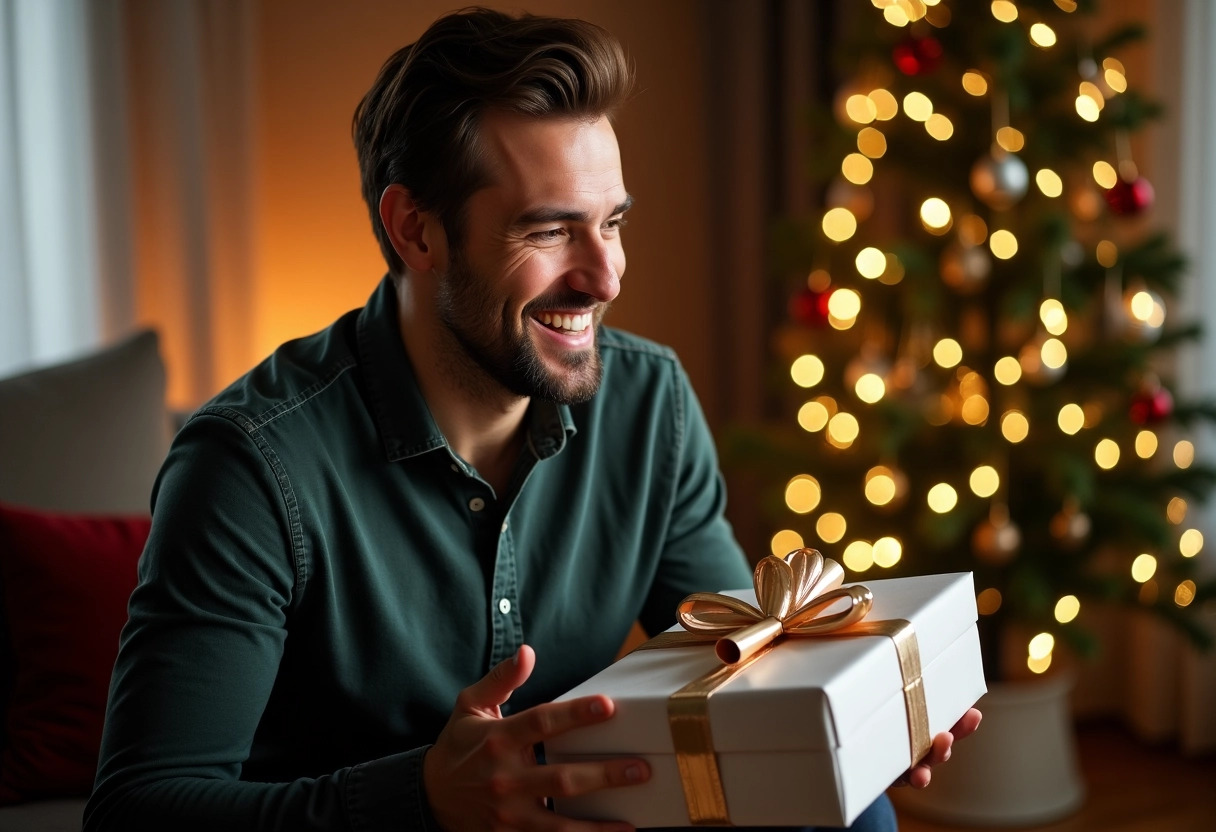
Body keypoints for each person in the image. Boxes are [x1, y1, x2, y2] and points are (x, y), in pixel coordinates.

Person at [84, 8, 980, 831]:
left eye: (613, 223)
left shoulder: (649, 403)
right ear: (417, 232)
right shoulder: (248, 469)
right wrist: (424, 798)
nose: (606, 276)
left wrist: (849, 724)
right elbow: (138, 811)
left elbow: (736, 671)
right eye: (551, 231)